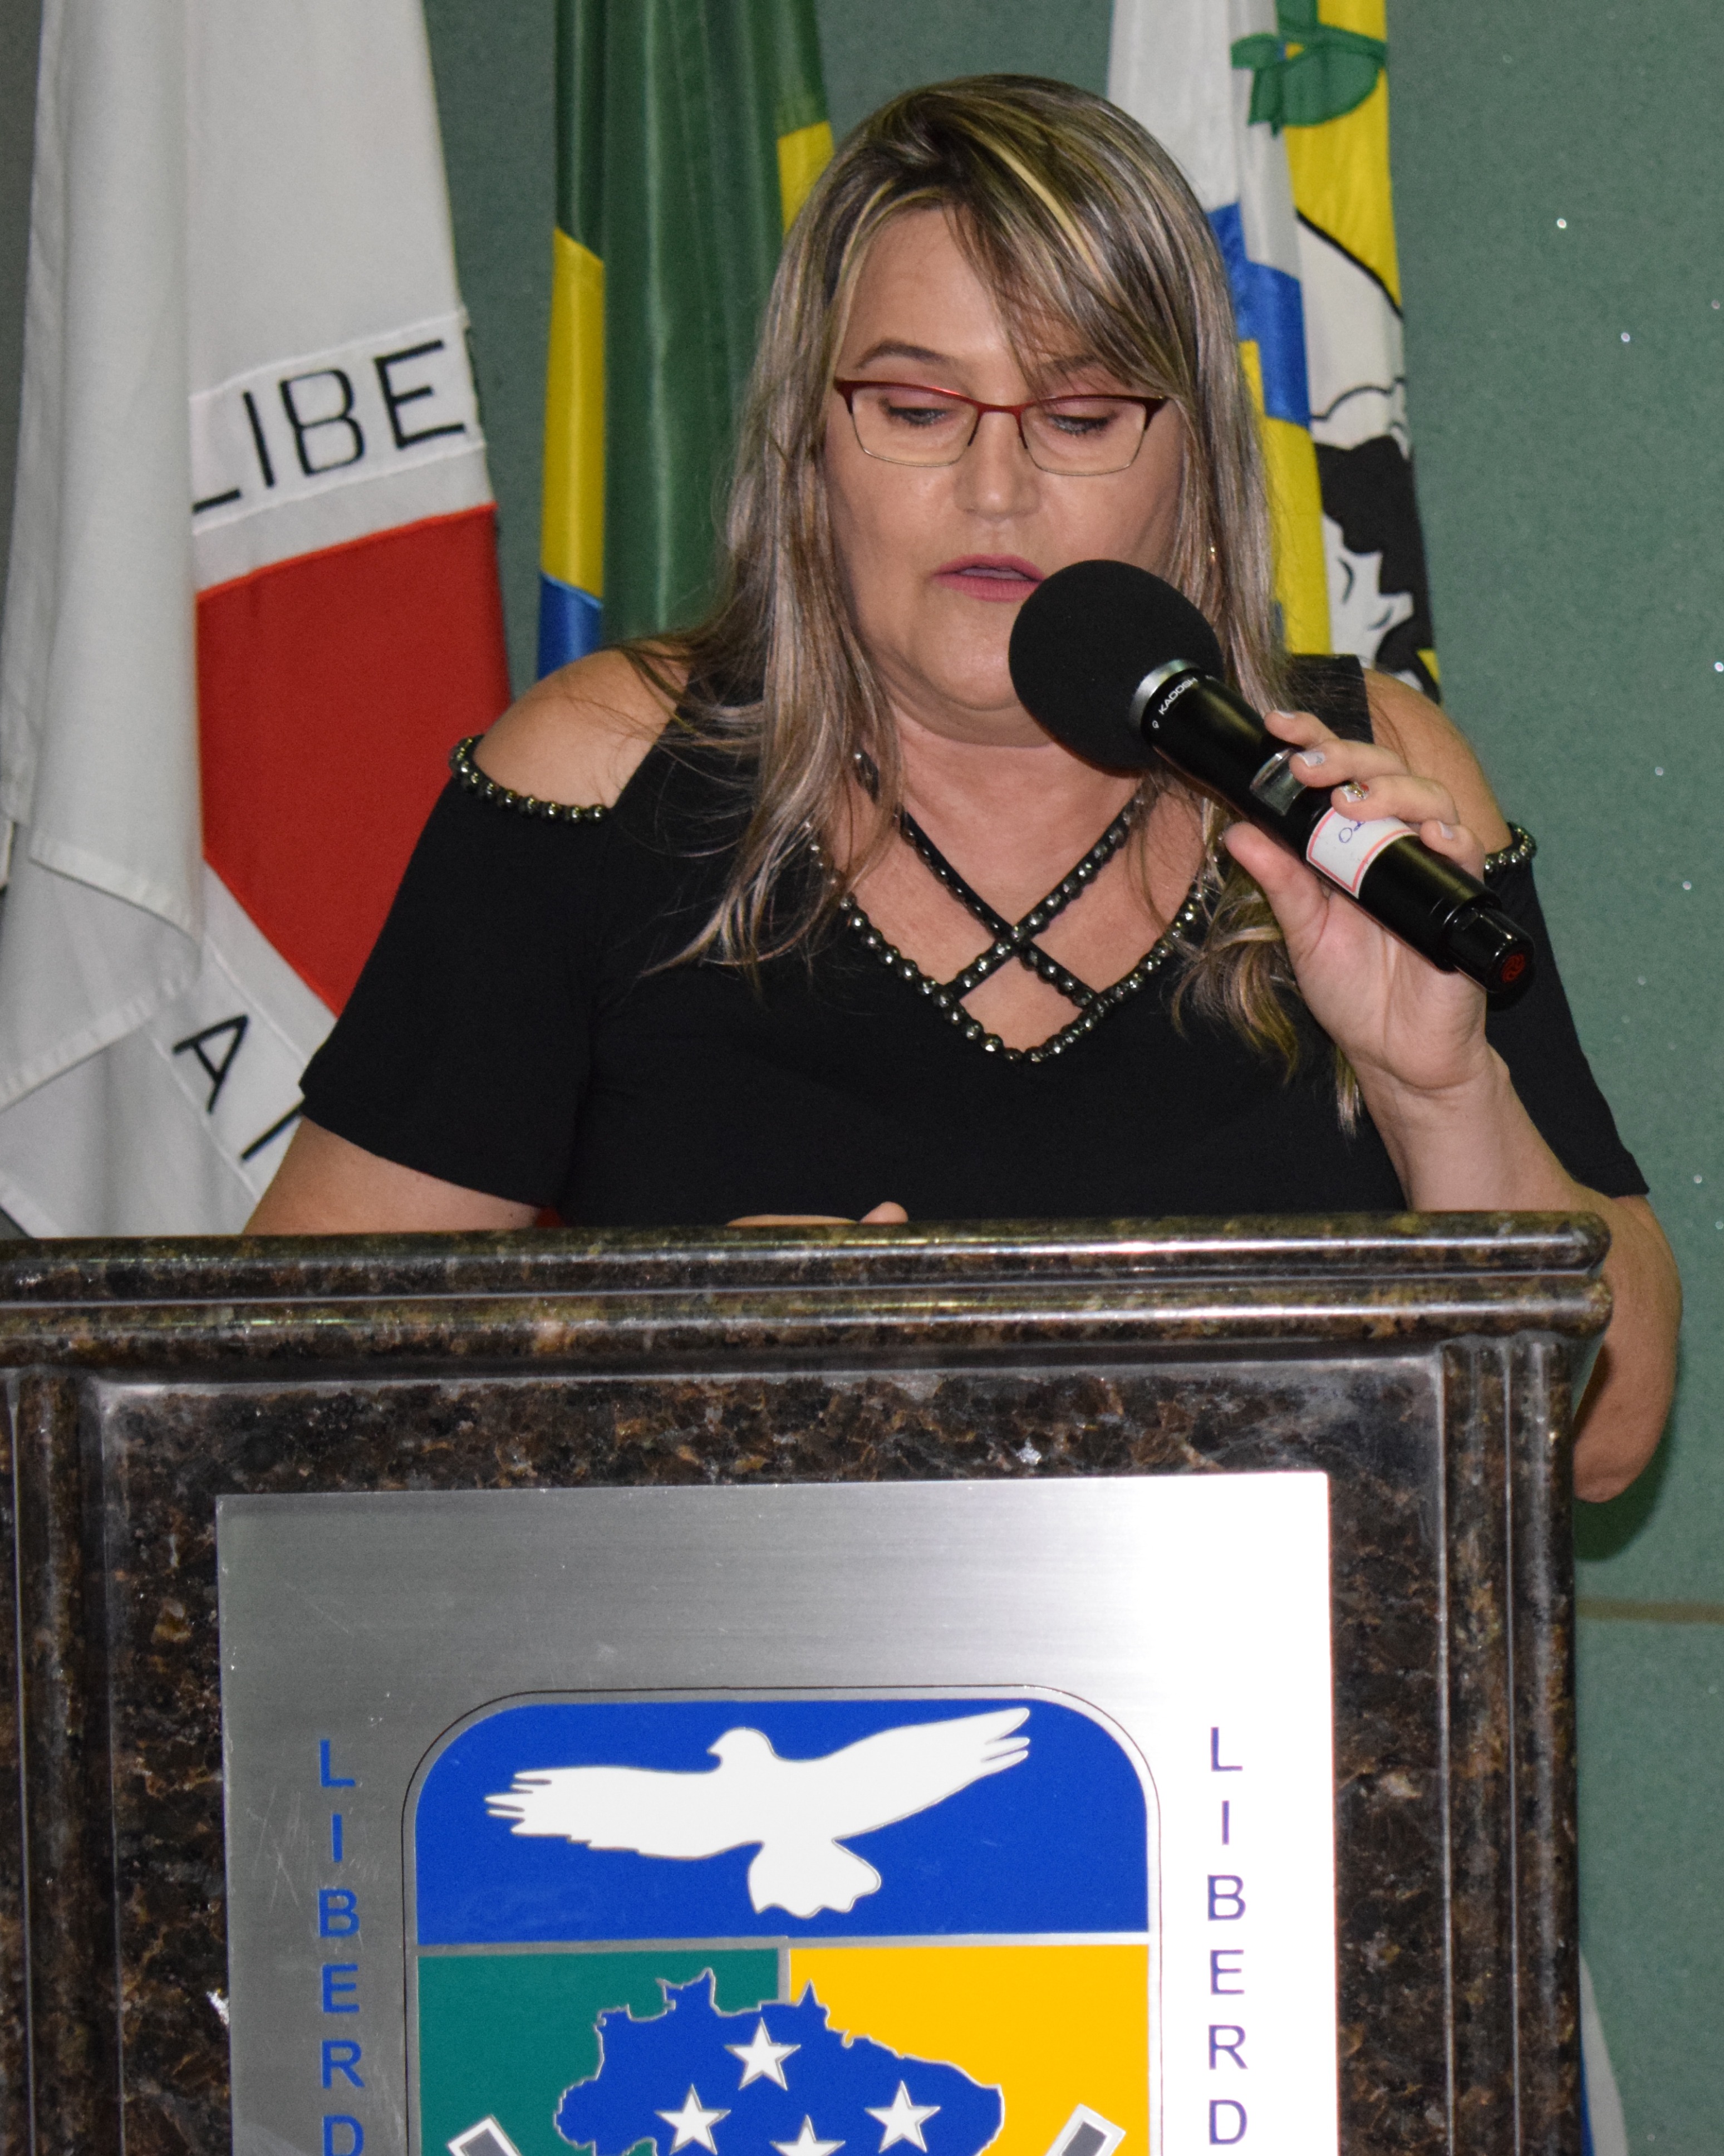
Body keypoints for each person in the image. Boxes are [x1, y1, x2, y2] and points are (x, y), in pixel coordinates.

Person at [248, 76, 1679, 1503]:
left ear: (1193, 466)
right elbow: (269, 1396)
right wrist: (661, 1363)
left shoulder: (1353, 786)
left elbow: (1608, 1438)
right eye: (919, 407)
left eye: (1079, 416)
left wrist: (1440, 1090)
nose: (996, 486)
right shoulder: (605, 773)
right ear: (811, 450)